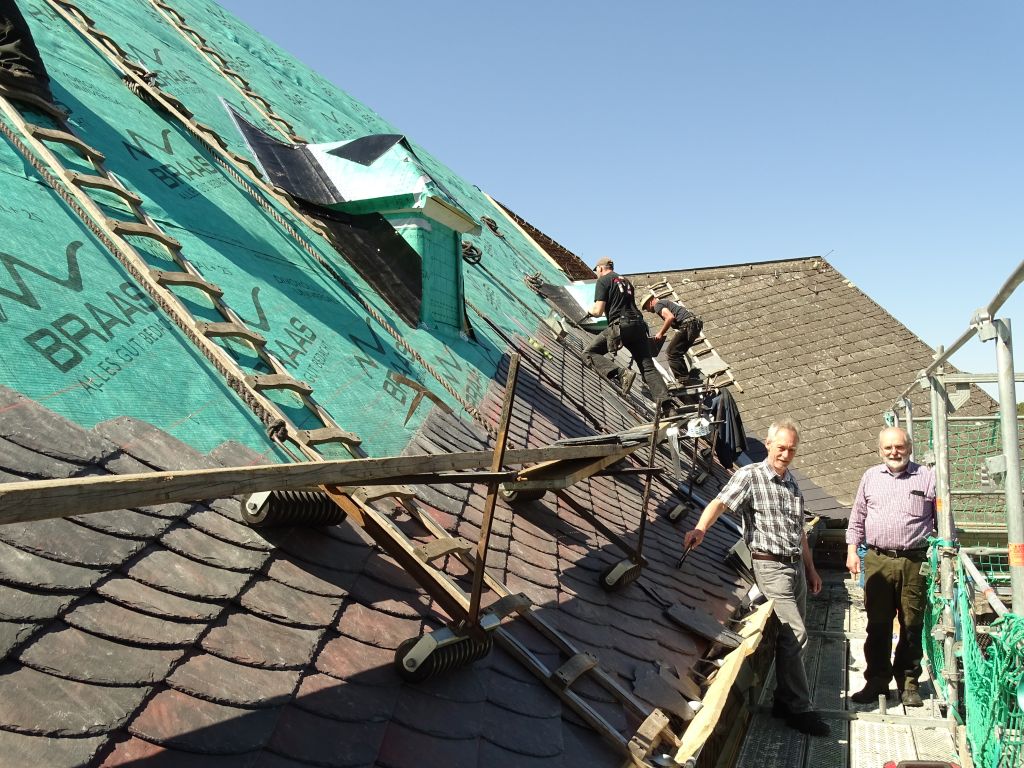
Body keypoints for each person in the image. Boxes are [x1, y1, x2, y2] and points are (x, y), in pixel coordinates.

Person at [683, 419, 830, 737]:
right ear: (768, 444)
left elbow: (800, 532)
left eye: (791, 449)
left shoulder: (791, 483)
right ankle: (799, 709)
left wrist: (811, 568)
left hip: (794, 568)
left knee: (789, 640)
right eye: (781, 447)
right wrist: (700, 529)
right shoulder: (751, 475)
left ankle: (782, 700)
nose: (786, 454)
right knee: (797, 634)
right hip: (770, 567)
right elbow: (720, 502)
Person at [846, 426, 936, 708]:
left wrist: (949, 551)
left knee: (911, 624)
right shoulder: (871, 477)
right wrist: (852, 550)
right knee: (878, 624)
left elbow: (944, 519)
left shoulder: (928, 477)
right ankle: (876, 682)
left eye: (899, 447)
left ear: (909, 448)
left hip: (914, 560)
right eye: (888, 448)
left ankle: (909, 684)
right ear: (880, 450)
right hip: (877, 559)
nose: (894, 452)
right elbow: (858, 514)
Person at [582, 257, 670, 407]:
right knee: (647, 366)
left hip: (621, 325)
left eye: (596, 270)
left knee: (589, 353)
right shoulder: (626, 281)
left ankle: (621, 374)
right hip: (638, 325)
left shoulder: (603, 281)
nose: (596, 273)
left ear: (601, 268)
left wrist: (589, 311)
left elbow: (598, 311)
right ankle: (667, 406)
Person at [640, 290, 704, 385]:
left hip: (687, 325)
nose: (648, 310)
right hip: (694, 325)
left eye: (646, 307)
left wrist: (661, 333)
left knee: (671, 353)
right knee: (677, 353)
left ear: (650, 302)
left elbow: (669, 317)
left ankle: (683, 379)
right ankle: (687, 379)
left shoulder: (658, 305)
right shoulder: (665, 302)